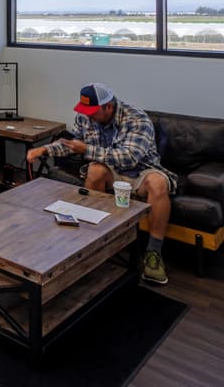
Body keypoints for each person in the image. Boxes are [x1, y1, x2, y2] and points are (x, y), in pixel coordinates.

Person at [25, 83, 176, 285]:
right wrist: (44, 150)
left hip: (141, 170)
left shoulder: (137, 119)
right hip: (110, 170)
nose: (88, 117)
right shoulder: (85, 117)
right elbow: (72, 145)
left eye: (93, 112)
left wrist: (86, 149)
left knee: (158, 183)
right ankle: (93, 242)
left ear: (108, 107)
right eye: (86, 112)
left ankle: (153, 253)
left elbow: (129, 157)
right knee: (95, 170)